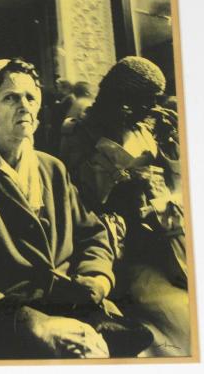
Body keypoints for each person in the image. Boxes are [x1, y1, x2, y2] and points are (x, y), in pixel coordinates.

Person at [0, 58, 152, 360]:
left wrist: (96, 278)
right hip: (11, 330)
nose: (24, 105)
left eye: (30, 97)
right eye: (10, 97)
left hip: (82, 309)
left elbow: (92, 235)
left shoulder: (52, 169)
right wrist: (34, 324)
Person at [60, 56, 190, 356]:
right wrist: (119, 154)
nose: (152, 108)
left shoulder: (148, 129)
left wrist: (172, 148)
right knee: (182, 315)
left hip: (165, 241)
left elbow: (176, 186)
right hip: (121, 253)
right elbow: (81, 196)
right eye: (147, 100)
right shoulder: (79, 130)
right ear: (124, 99)